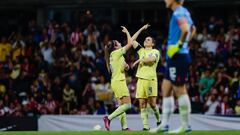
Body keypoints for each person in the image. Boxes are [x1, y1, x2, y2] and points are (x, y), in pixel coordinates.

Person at [150, 0, 196, 133]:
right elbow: (193, 29)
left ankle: (186, 126)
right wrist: (185, 44)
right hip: (174, 57)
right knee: (166, 88)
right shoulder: (184, 11)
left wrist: (179, 46)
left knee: (179, 89)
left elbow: (186, 29)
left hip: (178, 57)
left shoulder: (178, 13)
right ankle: (164, 125)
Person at [131, 24, 161, 131]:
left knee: (152, 104)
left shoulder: (155, 52)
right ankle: (145, 126)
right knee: (142, 103)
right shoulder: (141, 51)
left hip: (150, 80)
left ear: (152, 43)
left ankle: (158, 120)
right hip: (140, 80)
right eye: (145, 39)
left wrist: (139, 60)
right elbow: (131, 40)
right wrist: (141, 29)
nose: (145, 41)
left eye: (148, 40)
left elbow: (151, 60)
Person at [103, 26, 133, 131]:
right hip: (119, 82)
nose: (120, 43)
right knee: (128, 105)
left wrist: (126, 67)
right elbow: (130, 43)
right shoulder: (117, 52)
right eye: (118, 42)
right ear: (116, 46)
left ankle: (124, 128)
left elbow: (125, 67)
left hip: (115, 82)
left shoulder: (115, 55)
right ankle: (108, 118)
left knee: (121, 106)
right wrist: (127, 32)